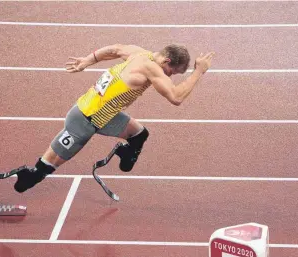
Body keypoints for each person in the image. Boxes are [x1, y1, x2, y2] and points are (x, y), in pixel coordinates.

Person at [13, 44, 215, 193]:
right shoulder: (152, 68)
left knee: (139, 134)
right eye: (172, 72)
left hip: (104, 114)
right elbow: (176, 97)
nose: (170, 77)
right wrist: (199, 71)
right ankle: (30, 176)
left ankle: (124, 152)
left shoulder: (139, 53)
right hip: (85, 120)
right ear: (167, 61)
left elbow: (115, 49)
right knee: (43, 170)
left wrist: (88, 60)